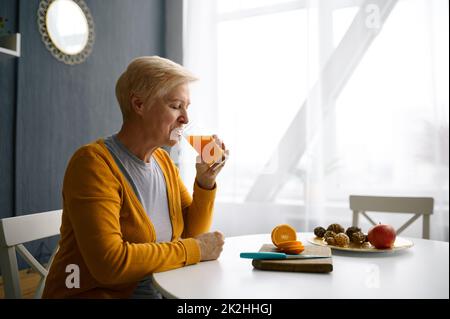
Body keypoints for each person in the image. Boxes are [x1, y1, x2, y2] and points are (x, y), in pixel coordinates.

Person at [42, 56, 228, 298]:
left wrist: (205, 180)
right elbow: (110, 265)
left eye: (187, 107)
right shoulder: (93, 164)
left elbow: (191, 234)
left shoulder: (163, 163)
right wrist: (195, 249)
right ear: (139, 104)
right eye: (175, 106)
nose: (185, 118)